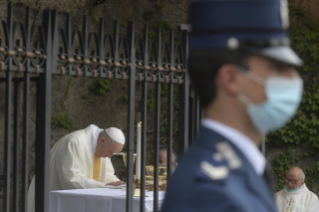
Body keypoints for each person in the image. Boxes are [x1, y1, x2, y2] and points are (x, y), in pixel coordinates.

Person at [161, 0, 304, 211]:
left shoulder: (240, 170)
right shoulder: (208, 192)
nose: (293, 78)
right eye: (278, 66)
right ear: (231, 79)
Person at [28, 124, 125, 212]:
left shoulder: (103, 149)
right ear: (102, 140)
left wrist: (116, 184)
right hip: (53, 200)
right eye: (110, 152)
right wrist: (104, 186)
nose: (109, 156)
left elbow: (108, 176)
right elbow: (71, 179)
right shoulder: (75, 142)